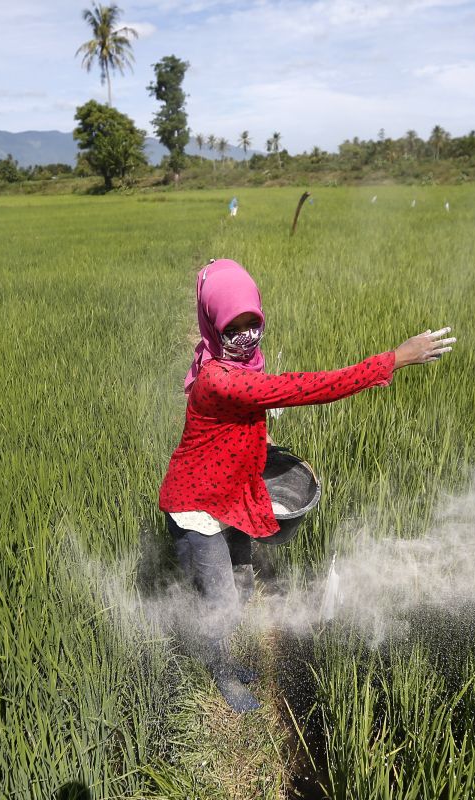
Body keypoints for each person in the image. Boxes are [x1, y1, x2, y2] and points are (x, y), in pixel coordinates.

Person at [158, 258, 456, 712]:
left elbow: (233, 419)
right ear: (213, 324)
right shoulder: (220, 376)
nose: (245, 334)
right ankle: (220, 673)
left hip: (227, 495)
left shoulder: (227, 361)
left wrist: (259, 437)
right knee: (223, 603)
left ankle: (225, 659)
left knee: (240, 585)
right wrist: (393, 359)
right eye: (232, 325)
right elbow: (308, 388)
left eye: (251, 322)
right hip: (198, 507)